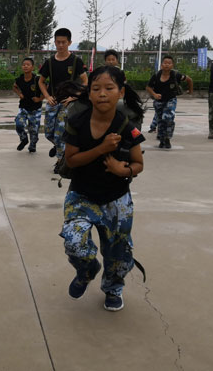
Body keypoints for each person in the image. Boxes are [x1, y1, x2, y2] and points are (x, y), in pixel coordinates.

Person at [60, 65, 145, 312]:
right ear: (89, 93)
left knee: (118, 253)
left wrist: (124, 171)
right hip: (81, 195)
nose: (102, 94)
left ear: (120, 92)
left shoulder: (128, 127)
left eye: (109, 88)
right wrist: (102, 149)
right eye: (96, 88)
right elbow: (72, 161)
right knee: (74, 242)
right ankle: (86, 271)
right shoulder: (76, 122)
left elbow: (139, 164)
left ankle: (113, 289)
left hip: (116, 199)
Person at [38, 28, 88, 160]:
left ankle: (60, 161)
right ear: (54, 42)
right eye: (58, 42)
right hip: (53, 101)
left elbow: (85, 81)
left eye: (63, 42)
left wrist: (74, 96)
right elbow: (41, 82)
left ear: (69, 42)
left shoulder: (76, 61)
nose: (60, 45)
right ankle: (58, 146)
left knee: (60, 133)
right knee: (48, 133)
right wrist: (47, 97)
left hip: (68, 104)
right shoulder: (49, 62)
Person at [145, 55, 193, 149]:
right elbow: (148, 87)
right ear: (161, 65)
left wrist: (190, 91)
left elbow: (189, 80)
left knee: (168, 118)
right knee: (161, 121)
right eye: (165, 63)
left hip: (171, 100)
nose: (167, 65)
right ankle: (162, 140)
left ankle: (167, 138)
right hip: (159, 102)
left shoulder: (176, 75)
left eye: (169, 63)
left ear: (172, 65)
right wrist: (154, 94)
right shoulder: (156, 76)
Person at [102, 49, 145, 130]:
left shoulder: (120, 72)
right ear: (105, 61)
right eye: (108, 59)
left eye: (113, 59)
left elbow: (124, 83)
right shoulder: (101, 73)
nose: (111, 62)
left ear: (117, 61)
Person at [13, 57, 44, 153]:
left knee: (33, 130)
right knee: (19, 124)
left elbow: (45, 90)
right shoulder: (19, 79)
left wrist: (39, 99)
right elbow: (14, 87)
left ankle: (33, 144)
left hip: (35, 109)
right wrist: (19, 94)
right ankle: (24, 139)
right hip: (23, 108)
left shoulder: (37, 79)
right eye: (24, 64)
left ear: (32, 67)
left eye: (28, 65)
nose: (25, 66)